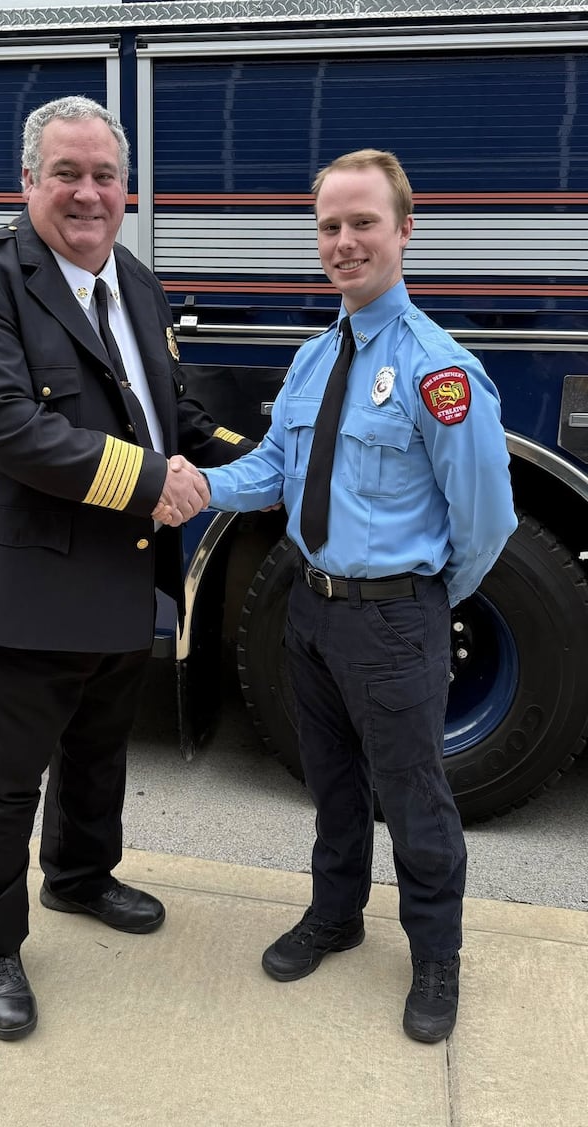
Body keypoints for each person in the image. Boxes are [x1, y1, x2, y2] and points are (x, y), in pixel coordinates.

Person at [0, 96, 251, 1041]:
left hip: (111, 585)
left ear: (126, 187)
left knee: (99, 757)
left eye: (104, 175)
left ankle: (79, 875)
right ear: (28, 182)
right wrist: (155, 483)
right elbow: (2, 425)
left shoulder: (135, 283)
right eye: (66, 173)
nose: (88, 192)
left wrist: (265, 464)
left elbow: (168, 414)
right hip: (8, 600)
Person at [201, 149, 517, 1043]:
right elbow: (273, 468)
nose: (344, 242)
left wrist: (416, 598)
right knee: (331, 784)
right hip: (310, 610)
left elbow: (486, 520)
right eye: (330, 226)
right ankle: (335, 917)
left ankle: (435, 957)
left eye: (363, 223)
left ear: (405, 231)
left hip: (390, 618)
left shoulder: (437, 370)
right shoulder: (313, 356)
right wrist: (195, 484)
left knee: (413, 794)